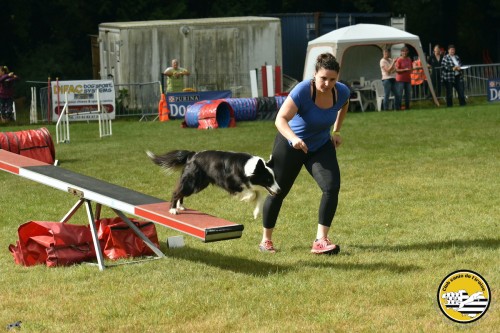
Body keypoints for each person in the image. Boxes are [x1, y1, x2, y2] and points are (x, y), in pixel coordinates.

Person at [259, 53, 349, 255]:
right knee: (277, 191)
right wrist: (293, 139)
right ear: (315, 74)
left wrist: (336, 131)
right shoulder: (302, 91)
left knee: (331, 187)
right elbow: (280, 119)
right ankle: (266, 240)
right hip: (290, 145)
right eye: (323, 78)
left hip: (319, 145)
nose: (327, 83)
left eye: (332, 79)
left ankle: (321, 240)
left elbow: (344, 105)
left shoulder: (341, 92)